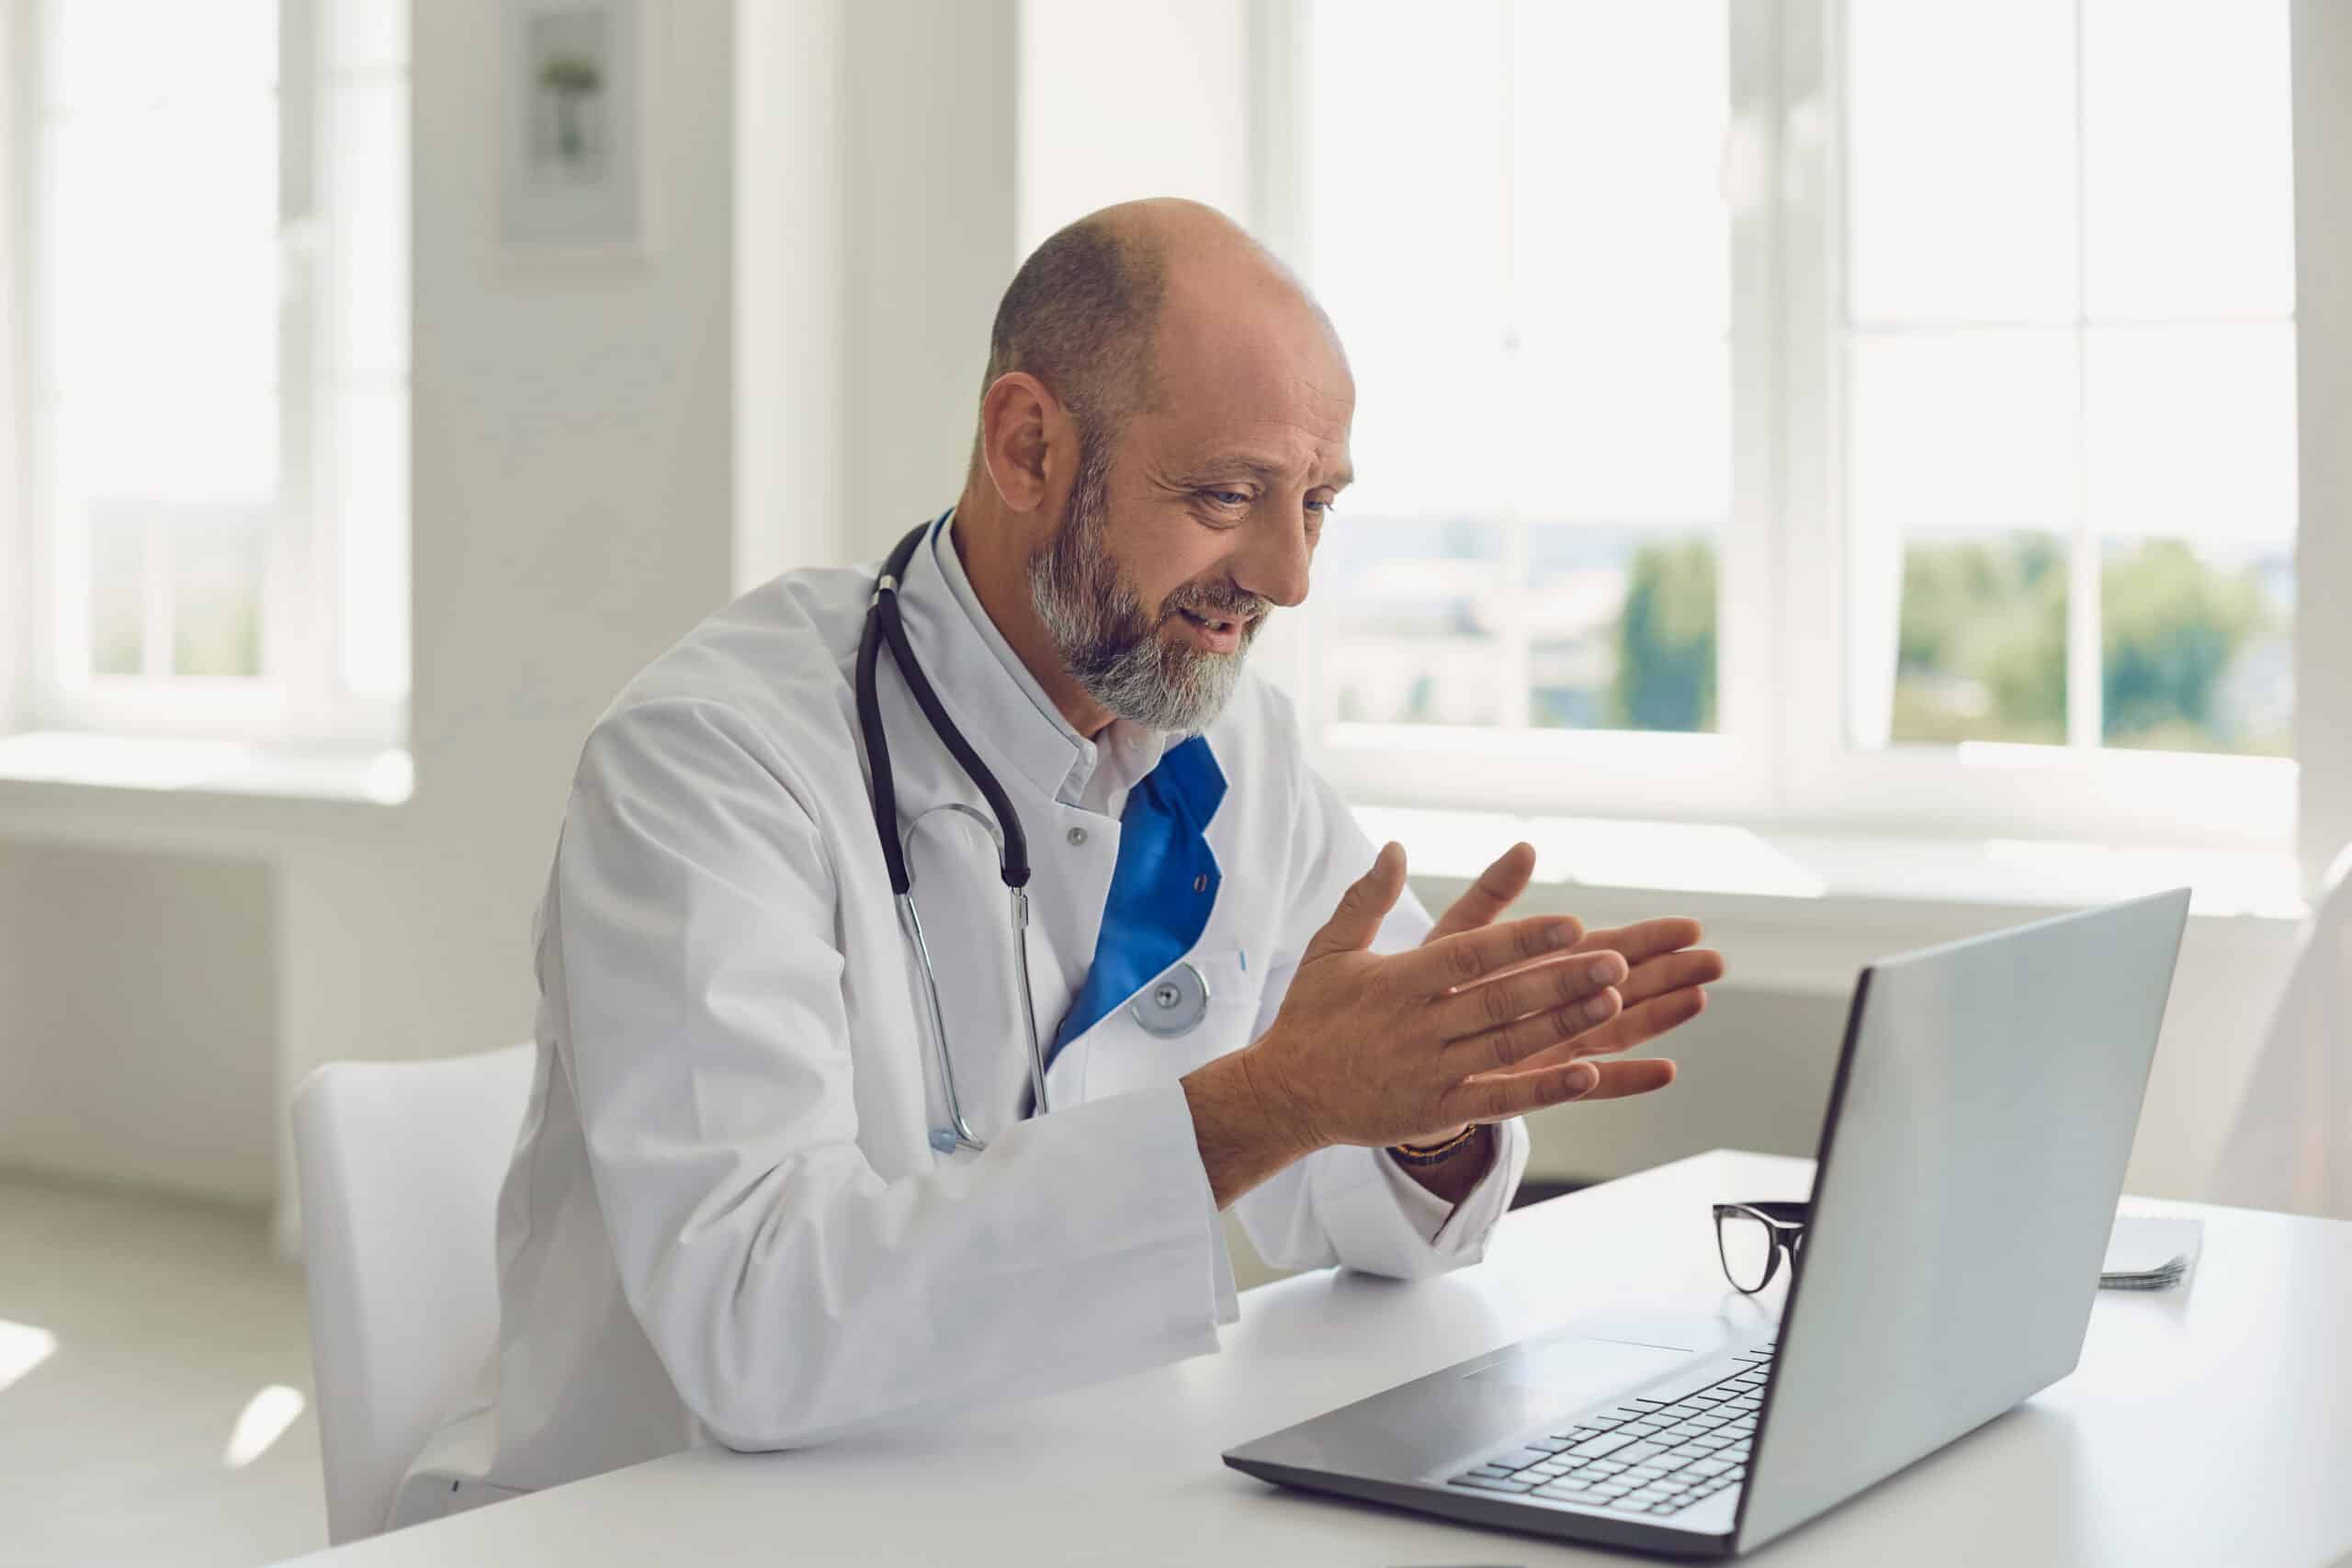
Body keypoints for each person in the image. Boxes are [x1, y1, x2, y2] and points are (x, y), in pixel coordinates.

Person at [391, 198, 1724, 1526]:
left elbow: (1370, 1221)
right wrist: (1269, 1104)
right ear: (1027, 445)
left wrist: (1423, 1112)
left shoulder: (1226, 732)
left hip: (1053, 1493)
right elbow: (757, 1321)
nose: (1288, 574)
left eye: (1316, 503)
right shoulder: (714, 759)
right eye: (1227, 494)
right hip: (676, 1520)